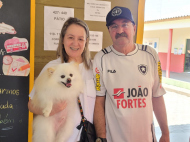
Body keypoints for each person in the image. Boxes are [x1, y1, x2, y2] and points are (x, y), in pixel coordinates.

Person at [93, 6, 170, 142]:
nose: (120, 30)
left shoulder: (150, 54)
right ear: (109, 31)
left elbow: (157, 96)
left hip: (145, 137)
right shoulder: (101, 58)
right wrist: (101, 137)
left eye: (125, 24)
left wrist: (165, 133)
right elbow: (99, 102)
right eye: (114, 26)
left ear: (134, 28)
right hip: (114, 138)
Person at [28, 17, 96, 142]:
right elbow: (31, 105)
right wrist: (51, 110)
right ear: (63, 39)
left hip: (88, 136)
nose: (75, 43)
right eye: (70, 37)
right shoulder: (52, 68)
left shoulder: (95, 68)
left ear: (86, 42)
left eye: (80, 39)